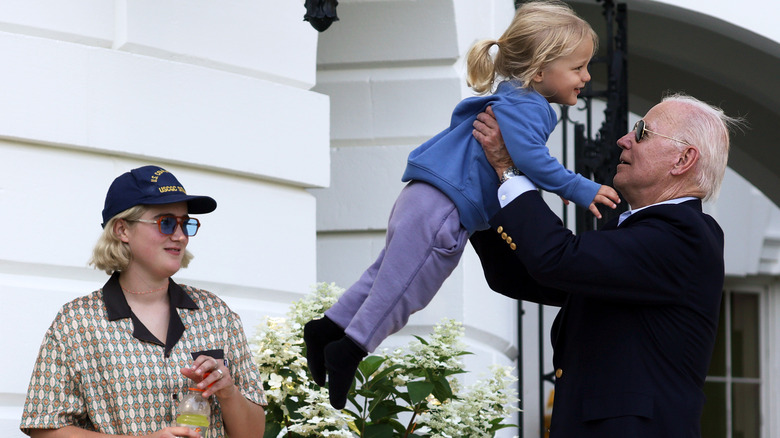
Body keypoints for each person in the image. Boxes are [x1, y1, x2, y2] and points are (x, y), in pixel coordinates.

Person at [303, 0, 621, 410]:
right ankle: (350, 349)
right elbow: (528, 158)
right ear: (540, 72)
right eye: (578, 68)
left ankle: (327, 328)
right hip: (443, 208)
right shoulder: (530, 107)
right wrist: (578, 188)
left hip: (425, 197)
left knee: (384, 275)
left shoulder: (512, 97)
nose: (586, 76)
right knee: (405, 289)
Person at [469, 93, 741, 437]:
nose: (623, 140)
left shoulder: (684, 235)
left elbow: (555, 257)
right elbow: (519, 276)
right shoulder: (639, 230)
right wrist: (476, 197)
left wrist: (509, 171)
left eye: (642, 132)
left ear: (683, 159)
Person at [20, 165, 266, 438]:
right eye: (166, 222)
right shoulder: (77, 323)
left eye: (186, 223)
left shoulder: (216, 314)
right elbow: (44, 428)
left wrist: (228, 391)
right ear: (122, 229)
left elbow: (253, 434)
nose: (181, 236)